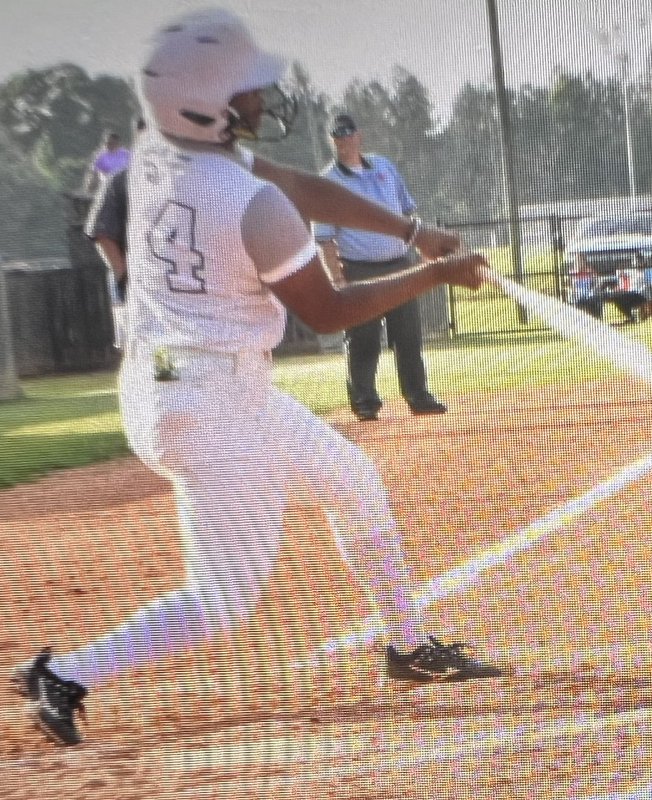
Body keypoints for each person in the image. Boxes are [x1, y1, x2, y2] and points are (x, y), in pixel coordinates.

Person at [9, 8, 502, 748]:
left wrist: (409, 231)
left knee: (352, 481)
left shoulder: (153, 152)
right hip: (210, 407)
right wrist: (433, 272)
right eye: (246, 91)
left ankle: (406, 646)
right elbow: (329, 310)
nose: (261, 101)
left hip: (179, 380)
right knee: (223, 600)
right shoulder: (251, 205)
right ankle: (65, 673)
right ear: (204, 104)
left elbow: (298, 183)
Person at [314, 114, 447, 420]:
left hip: (400, 264)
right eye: (336, 136)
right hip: (359, 270)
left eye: (347, 133)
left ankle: (418, 395)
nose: (343, 140)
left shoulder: (384, 167)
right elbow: (324, 239)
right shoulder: (327, 182)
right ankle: (365, 402)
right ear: (331, 140)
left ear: (359, 136)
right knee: (364, 339)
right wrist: (338, 279)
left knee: (409, 334)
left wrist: (422, 248)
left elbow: (408, 215)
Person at [84, 119, 148, 349]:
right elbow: (102, 233)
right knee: (139, 348)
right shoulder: (119, 179)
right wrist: (124, 276)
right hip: (135, 276)